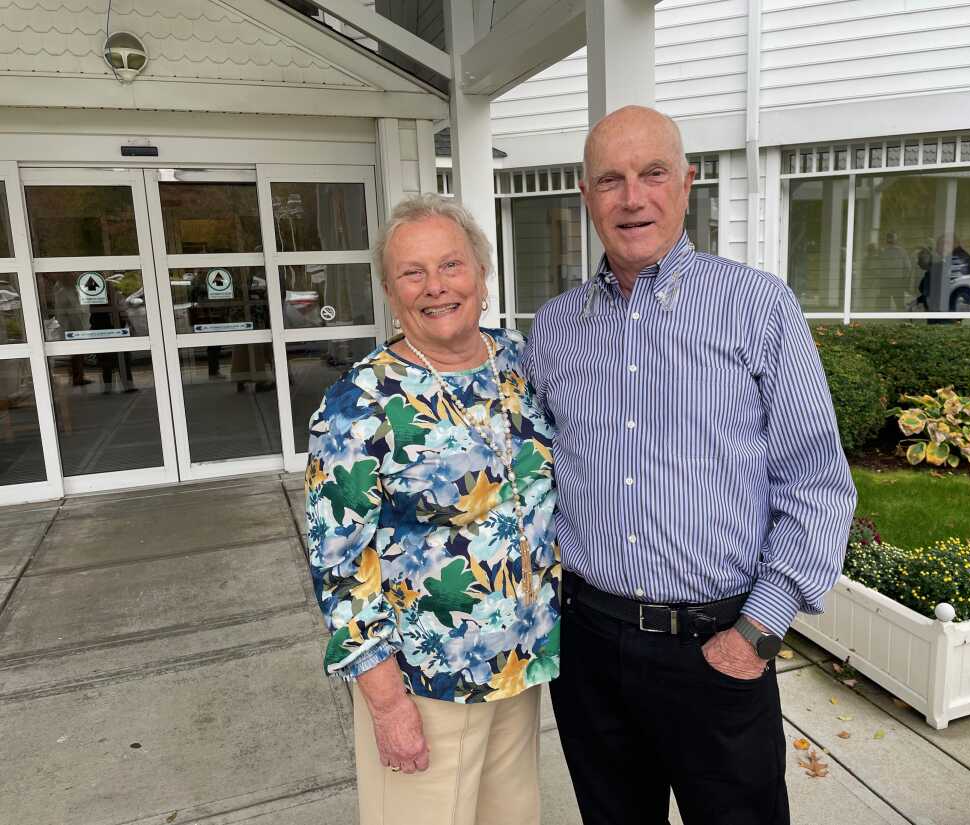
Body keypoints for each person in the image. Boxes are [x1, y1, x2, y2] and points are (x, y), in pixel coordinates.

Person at [523, 105, 856, 825]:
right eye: (610, 179)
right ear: (586, 195)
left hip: (719, 646)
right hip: (590, 651)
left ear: (687, 184)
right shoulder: (552, 330)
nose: (631, 197)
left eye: (652, 173)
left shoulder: (758, 307)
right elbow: (524, 474)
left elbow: (818, 486)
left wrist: (757, 635)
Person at [305, 193, 559, 825]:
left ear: (481, 274)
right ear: (391, 293)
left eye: (451, 266)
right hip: (424, 685)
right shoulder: (359, 403)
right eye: (412, 273)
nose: (435, 287)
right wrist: (387, 704)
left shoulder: (520, 365)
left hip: (519, 672)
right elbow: (340, 569)